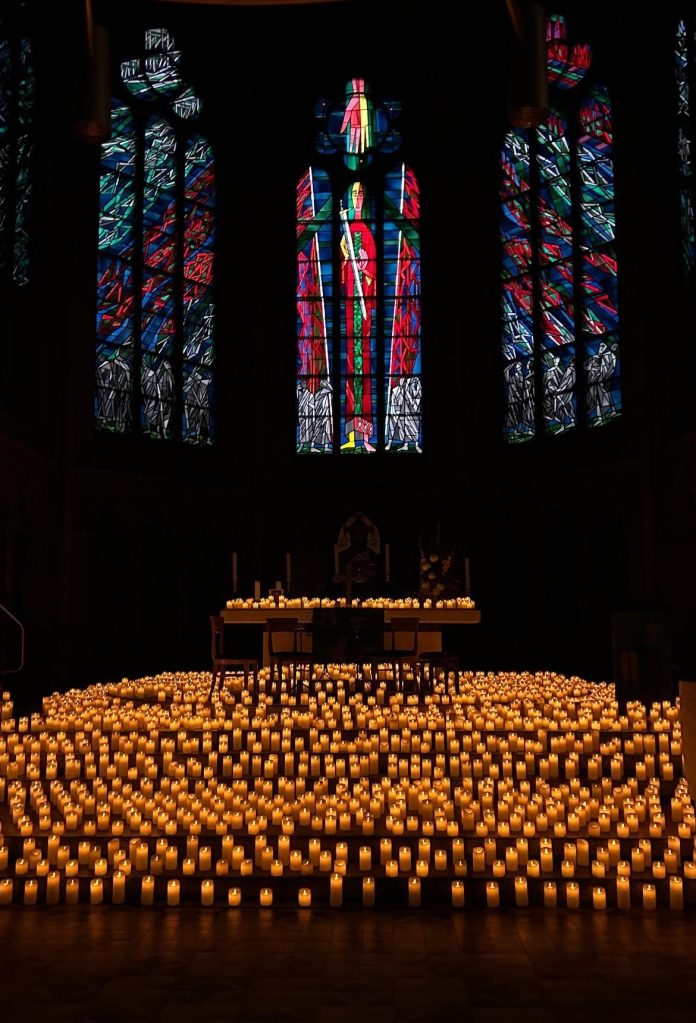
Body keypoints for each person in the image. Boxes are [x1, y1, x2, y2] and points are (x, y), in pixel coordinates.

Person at [339, 181, 377, 452]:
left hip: (364, 309)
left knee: (364, 368)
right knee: (353, 365)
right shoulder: (348, 234)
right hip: (352, 305)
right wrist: (348, 261)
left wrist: (365, 270)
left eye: (361, 193)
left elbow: (372, 272)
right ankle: (352, 435)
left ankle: (366, 437)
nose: (358, 197)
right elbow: (344, 272)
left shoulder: (367, 234)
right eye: (354, 194)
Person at [585, 341, 617, 422]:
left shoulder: (611, 357)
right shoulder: (596, 357)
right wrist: (590, 366)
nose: (601, 348)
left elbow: (610, 369)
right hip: (595, 381)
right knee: (597, 398)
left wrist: (603, 377)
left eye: (603, 347)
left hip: (603, 379)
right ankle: (601, 416)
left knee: (604, 396)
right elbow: (587, 367)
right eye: (600, 347)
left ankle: (609, 412)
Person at [311, 377, 333, 451]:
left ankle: (326, 447)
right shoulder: (324, 391)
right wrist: (328, 383)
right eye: (325, 384)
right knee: (318, 430)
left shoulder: (317, 394)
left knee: (326, 430)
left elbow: (311, 403)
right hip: (322, 414)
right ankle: (312, 446)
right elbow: (331, 389)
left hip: (321, 413)